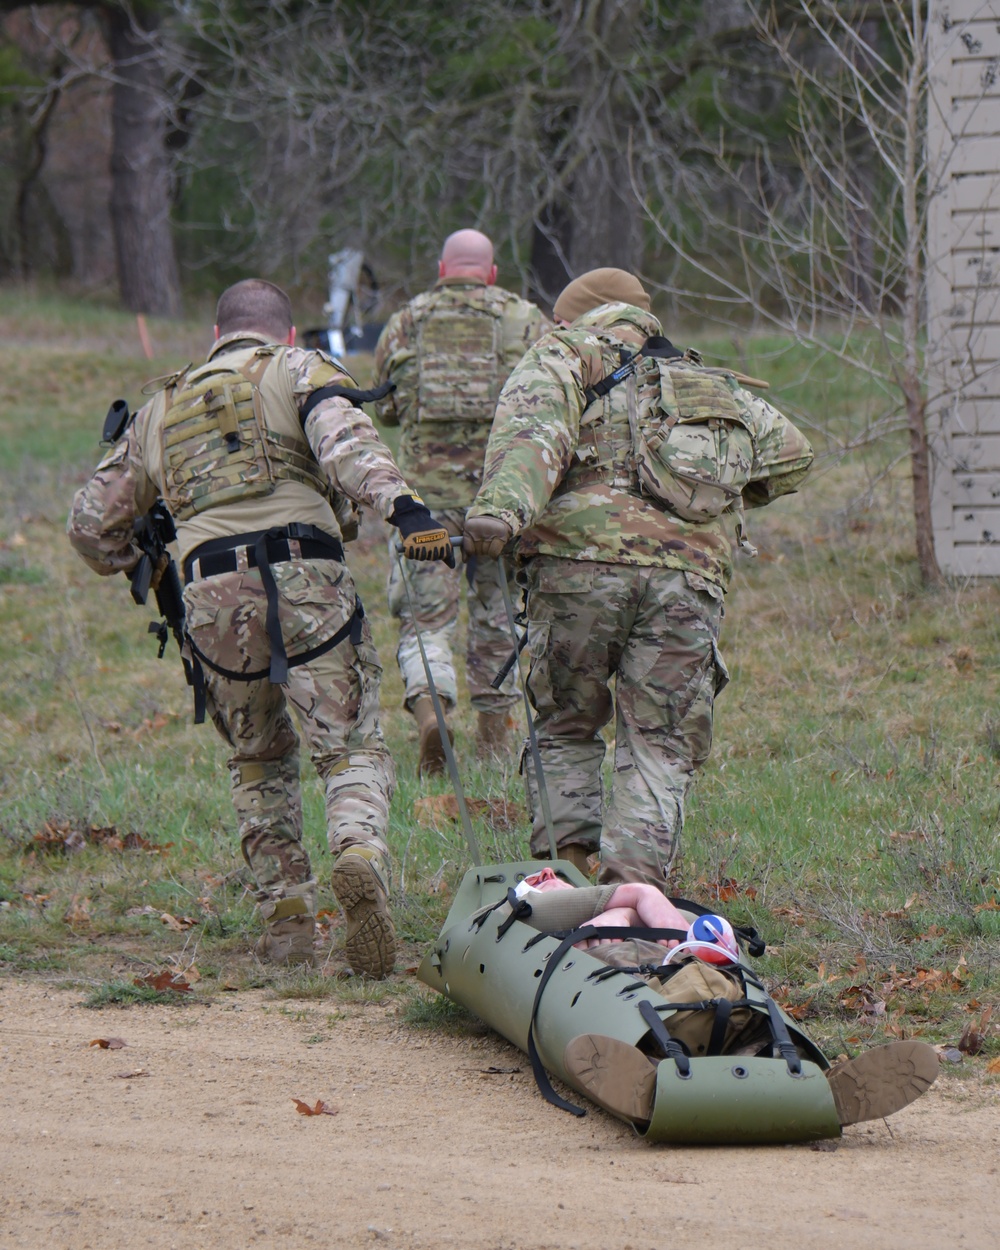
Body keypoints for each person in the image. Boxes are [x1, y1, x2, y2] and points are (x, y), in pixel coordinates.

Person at [67, 278, 454, 977]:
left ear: (217, 336)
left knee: (258, 758)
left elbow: (91, 527)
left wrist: (147, 566)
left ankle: (288, 925)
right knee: (352, 746)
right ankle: (358, 857)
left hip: (212, 594)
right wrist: (406, 510)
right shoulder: (300, 369)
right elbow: (347, 445)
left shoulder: (158, 407)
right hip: (308, 579)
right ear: (287, 332)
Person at [463, 268, 814, 885]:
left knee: (566, 722)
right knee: (659, 743)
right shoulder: (702, 378)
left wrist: (498, 516)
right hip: (688, 579)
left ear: (571, 315)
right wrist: (707, 501)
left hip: (577, 572)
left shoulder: (563, 353)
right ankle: (632, 903)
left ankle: (562, 883)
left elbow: (531, 436)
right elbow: (791, 454)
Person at [373, 229, 549, 773]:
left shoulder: (408, 320)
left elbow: (385, 410)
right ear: (491, 273)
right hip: (502, 499)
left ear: (443, 269)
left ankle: (433, 711)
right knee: (500, 615)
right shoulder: (525, 319)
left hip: (426, 504)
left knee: (426, 619)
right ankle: (495, 741)